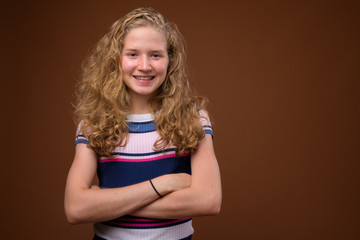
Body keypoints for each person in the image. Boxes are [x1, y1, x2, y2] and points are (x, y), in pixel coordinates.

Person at [64, 7, 222, 240]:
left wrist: (109, 202)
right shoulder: (94, 124)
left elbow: (209, 200)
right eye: (133, 54)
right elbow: (76, 208)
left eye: (156, 55)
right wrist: (164, 184)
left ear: (171, 60)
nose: (145, 65)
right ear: (116, 58)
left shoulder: (193, 119)